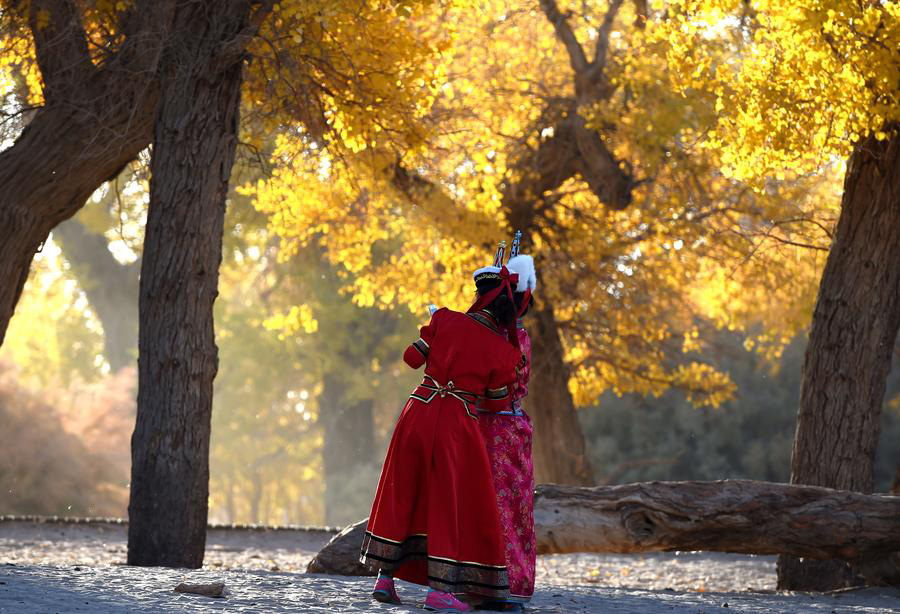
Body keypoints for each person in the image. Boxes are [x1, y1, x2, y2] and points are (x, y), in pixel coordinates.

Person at [359, 251, 526, 613]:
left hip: (417, 410)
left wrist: (435, 336)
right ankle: (441, 591)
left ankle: (384, 580)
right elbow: (496, 402)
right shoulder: (504, 352)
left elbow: (410, 358)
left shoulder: (445, 320)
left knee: (403, 491)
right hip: (456, 423)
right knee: (449, 501)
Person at [476, 233, 537, 611]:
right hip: (510, 429)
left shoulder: (478, 331)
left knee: (482, 505)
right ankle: (508, 583)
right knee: (509, 508)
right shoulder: (520, 338)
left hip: (477, 426)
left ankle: (478, 582)